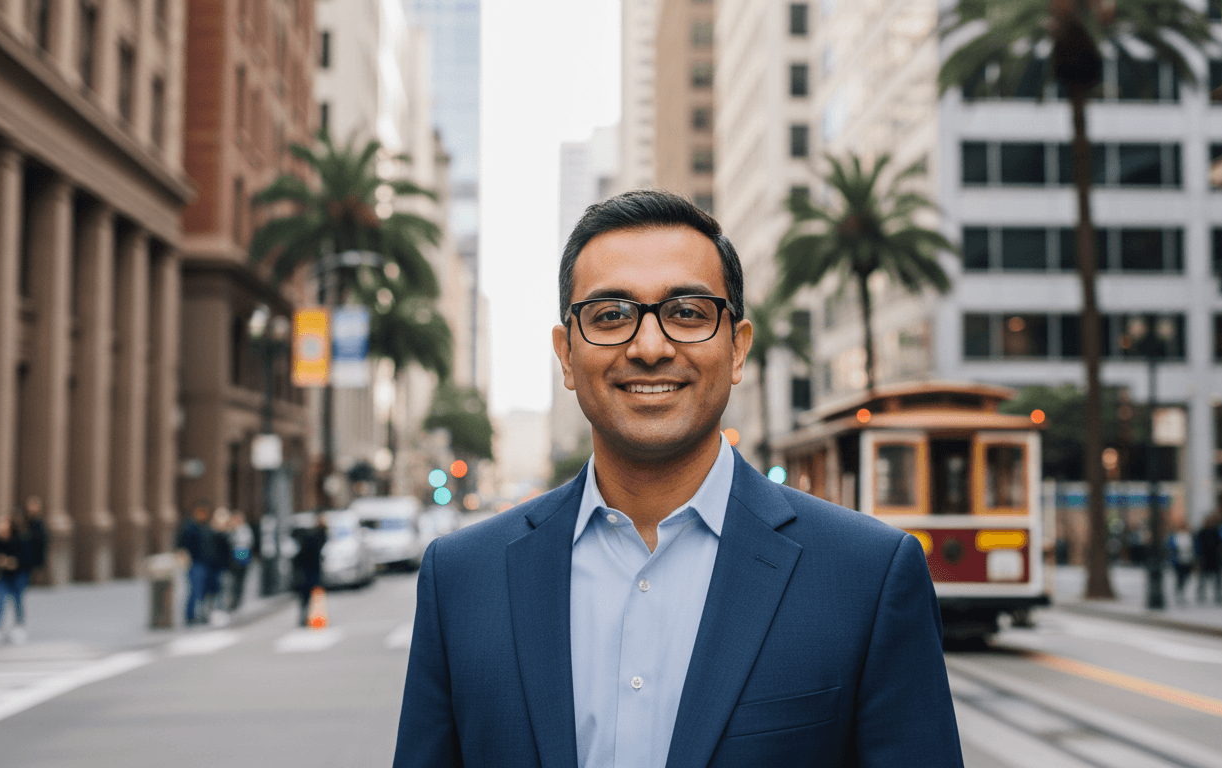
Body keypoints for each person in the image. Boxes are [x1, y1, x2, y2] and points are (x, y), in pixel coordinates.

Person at [393, 190, 962, 767]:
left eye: (686, 313)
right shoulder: (460, 580)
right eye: (611, 315)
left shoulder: (868, 577)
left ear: (737, 349)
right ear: (566, 355)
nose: (649, 346)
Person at [0, 514, 35, 646]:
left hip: (19, 576)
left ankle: (19, 627)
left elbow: (27, 559)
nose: (0, 527)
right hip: (4, 576)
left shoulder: (21, 539)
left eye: (3, 524)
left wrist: (14, 562)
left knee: (18, 601)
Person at [175, 501, 214, 626]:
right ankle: (190, 616)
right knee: (194, 590)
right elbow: (181, 546)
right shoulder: (189, 528)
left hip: (207, 563)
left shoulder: (206, 528)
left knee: (203, 590)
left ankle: (200, 614)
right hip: (195, 563)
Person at [291, 515, 327, 628]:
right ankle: (313, 617)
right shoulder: (316, 538)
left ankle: (304, 617)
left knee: (305, 598)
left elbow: (294, 559)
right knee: (314, 596)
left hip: (303, 573)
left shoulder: (298, 540)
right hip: (312, 572)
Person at [226, 511, 254, 612]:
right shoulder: (232, 529)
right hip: (235, 555)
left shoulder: (245, 529)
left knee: (240, 580)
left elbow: (248, 542)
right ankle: (234, 600)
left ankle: (238, 600)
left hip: (242, 554)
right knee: (234, 580)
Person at [1195, 513, 1222, 605]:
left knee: (1217, 580)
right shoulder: (1201, 532)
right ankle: (1201, 595)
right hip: (1204, 559)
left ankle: (1218, 596)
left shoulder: (1216, 531)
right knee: (1202, 580)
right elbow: (1198, 546)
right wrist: (1198, 558)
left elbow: (1221, 545)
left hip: (1215, 559)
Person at [21, 496, 50, 583]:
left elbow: (42, 542)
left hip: (34, 556)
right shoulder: (23, 522)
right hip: (23, 556)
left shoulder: (40, 524)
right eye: (31, 506)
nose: (33, 508)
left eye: (35, 506)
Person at [1168, 519, 1195, 606]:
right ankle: (1179, 594)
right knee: (1179, 578)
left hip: (1188, 560)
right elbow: (1170, 546)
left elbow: (1194, 547)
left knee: (1186, 578)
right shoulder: (1175, 536)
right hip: (1178, 560)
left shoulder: (1190, 536)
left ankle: (1182, 593)